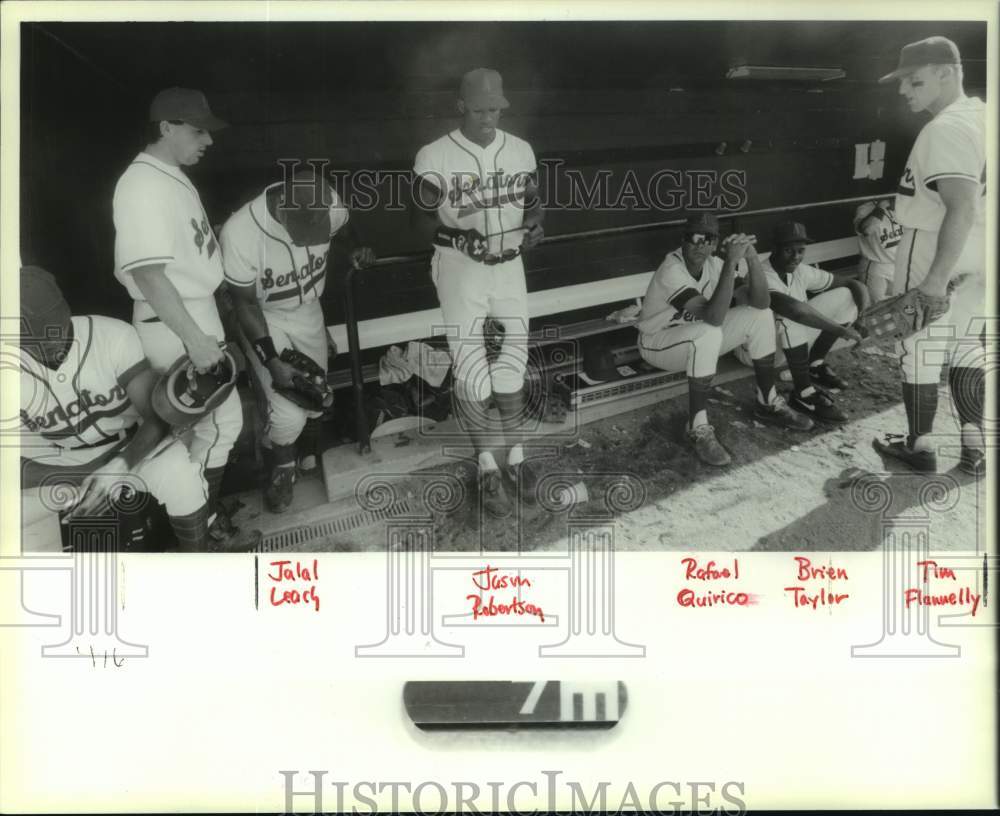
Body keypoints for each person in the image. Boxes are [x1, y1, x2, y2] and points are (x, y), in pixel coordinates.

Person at [412, 68, 545, 517]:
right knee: (471, 364)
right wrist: (455, 237)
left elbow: (532, 202)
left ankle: (518, 457)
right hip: (460, 269)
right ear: (461, 106)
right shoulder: (435, 155)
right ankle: (487, 464)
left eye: (496, 108)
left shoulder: (521, 150)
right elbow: (419, 219)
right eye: (481, 108)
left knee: (514, 359)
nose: (489, 116)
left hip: (509, 266)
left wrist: (534, 226)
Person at [111, 87, 243, 534]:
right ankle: (198, 520)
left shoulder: (168, 173)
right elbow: (148, 274)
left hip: (190, 313)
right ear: (166, 128)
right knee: (215, 427)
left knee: (206, 430)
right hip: (172, 322)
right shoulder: (141, 184)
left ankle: (201, 515)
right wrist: (194, 338)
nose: (208, 140)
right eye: (198, 130)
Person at [18, 267, 211, 552]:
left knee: (180, 475)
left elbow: (158, 417)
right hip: (59, 467)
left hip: (129, 448)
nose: (55, 342)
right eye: (41, 340)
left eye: (57, 328)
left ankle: (197, 561)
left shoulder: (111, 336)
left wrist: (116, 468)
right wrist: (81, 481)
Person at [220, 168, 375, 513]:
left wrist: (357, 247)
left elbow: (345, 226)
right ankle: (282, 469)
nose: (311, 237)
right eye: (304, 229)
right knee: (288, 411)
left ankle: (304, 452)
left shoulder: (328, 203)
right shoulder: (241, 232)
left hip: (309, 310)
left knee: (317, 394)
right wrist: (272, 361)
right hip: (265, 316)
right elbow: (244, 304)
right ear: (283, 210)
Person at [874, 37, 986, 477]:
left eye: (914, 79)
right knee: (966, 346)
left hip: (937, 243)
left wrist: (935, 280)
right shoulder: (983, 113)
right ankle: (974, 448)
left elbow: (961, 204)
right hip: (978, 247)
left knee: (918, 344)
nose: (904, 90)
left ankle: (920, 446)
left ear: (947, 72)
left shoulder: (946, 126)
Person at [637, 213, 812, 468]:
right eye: (694, 237)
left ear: (714, 243)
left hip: (695, 340)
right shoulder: (671, 269)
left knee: (759, 315)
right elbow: (714, 316)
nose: (699, 245)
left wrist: (751, 257)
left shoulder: (714, 265)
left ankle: (768, 401)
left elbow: (762, 301)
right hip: (657, 343)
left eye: (707, 239)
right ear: (683, 240)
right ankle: (697, 427)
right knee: (708, 330)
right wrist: (731, 261)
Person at [749, 221, 870, 423]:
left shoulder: (800, 270)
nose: (796, 257)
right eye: (789, 250)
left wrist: (862, 316)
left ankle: (814, 364)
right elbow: (795, 311)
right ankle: (804, 393)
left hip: (791, 343)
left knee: (846, 295)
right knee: (791, 318)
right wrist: (841, 330)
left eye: (800, 251)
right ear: (775, 249)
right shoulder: (761, 274)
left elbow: (854, 283)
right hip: (758, 352)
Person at [853, 198, 903, 301]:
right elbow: (867, 229)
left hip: (899, 266)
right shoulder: (865, 208)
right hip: (876, 267)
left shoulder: (904, 206)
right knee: (875, 308)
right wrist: (880, 207)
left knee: (899, 306)